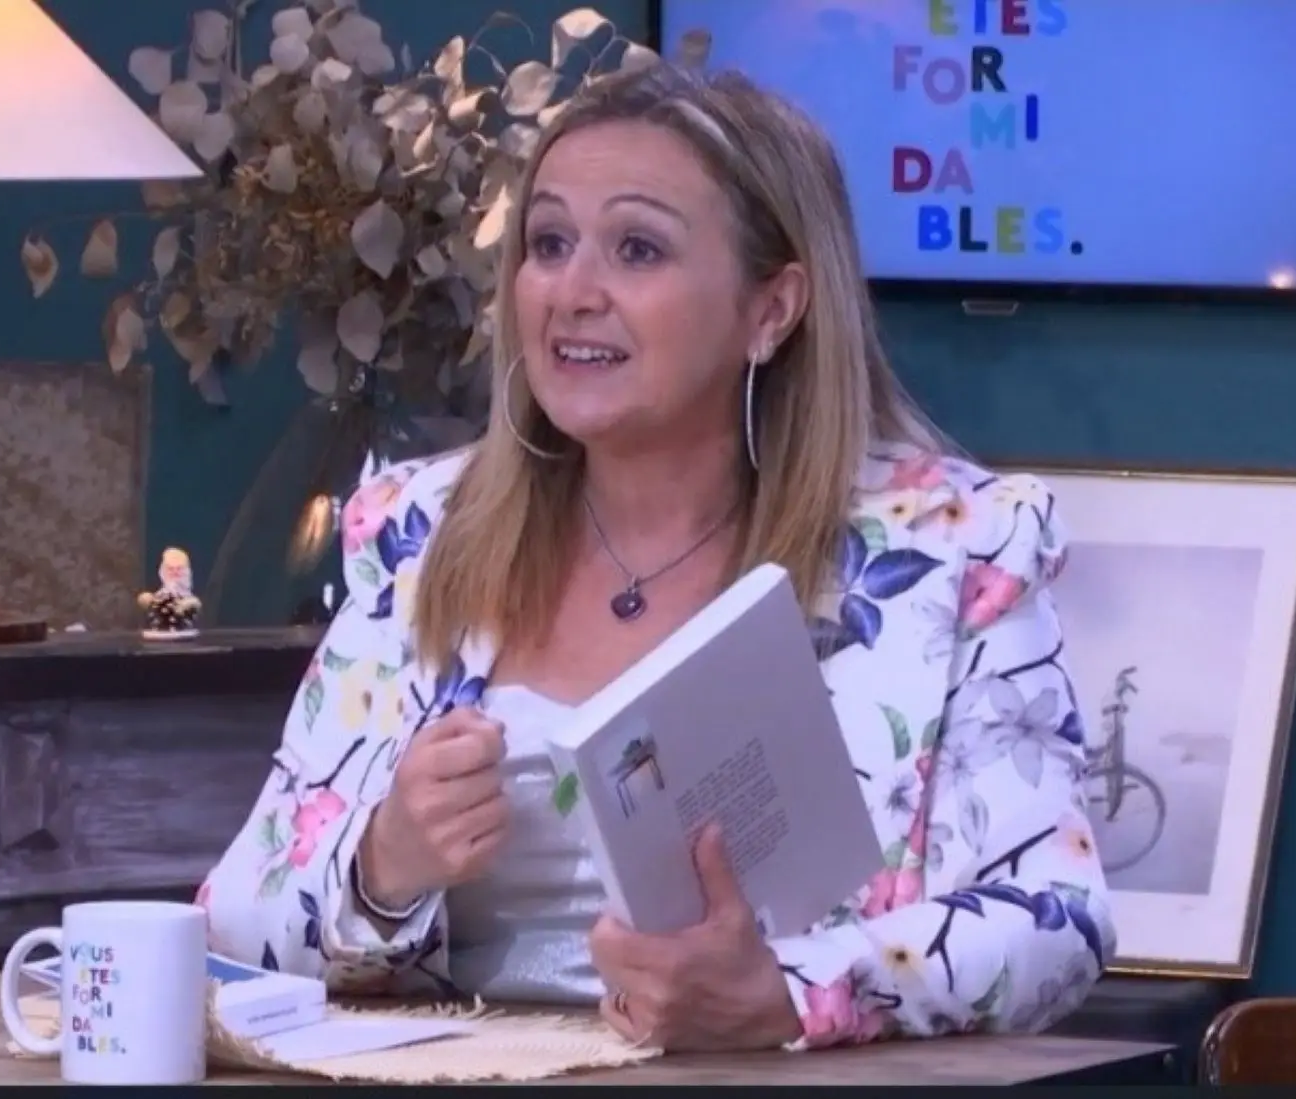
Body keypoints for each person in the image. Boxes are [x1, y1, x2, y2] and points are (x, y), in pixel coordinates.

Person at [200, 60, 1113, 1052]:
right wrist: (381, 868)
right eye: (549, 244)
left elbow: (1056, 919)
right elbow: (230, 917)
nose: (572, 293)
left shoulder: (954, 544)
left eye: (637, 249)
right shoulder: (419, 530)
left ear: (771, 309)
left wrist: (787, 993)